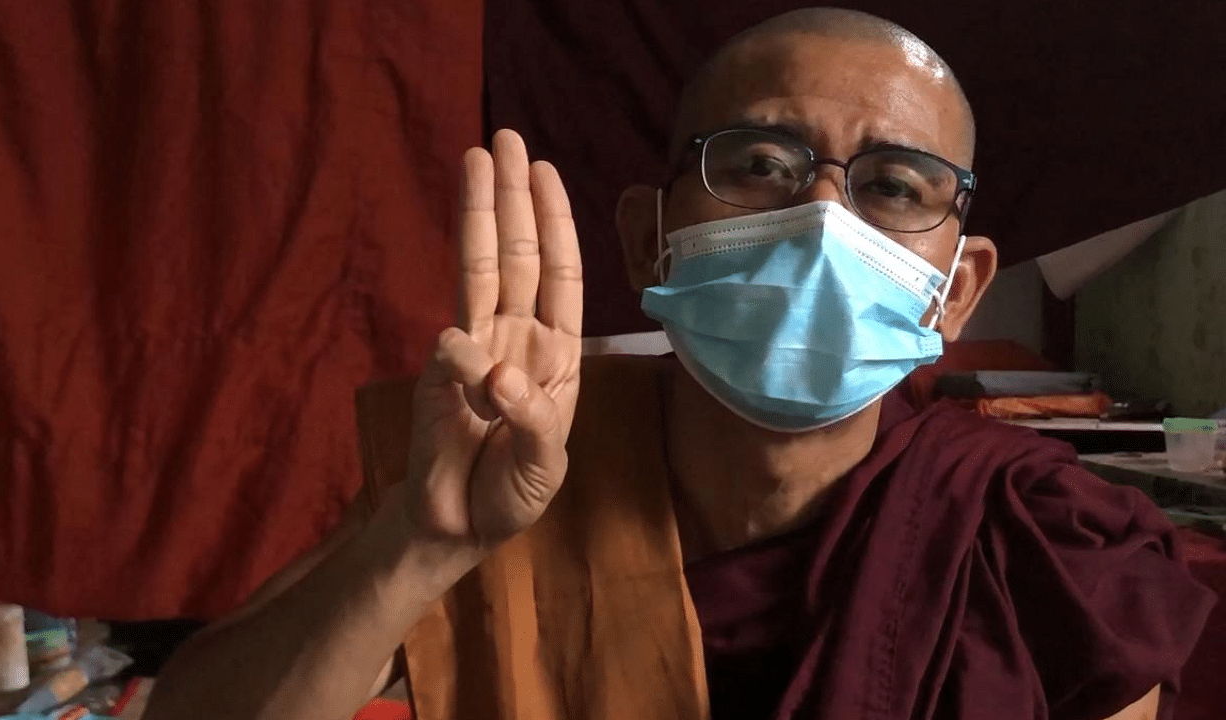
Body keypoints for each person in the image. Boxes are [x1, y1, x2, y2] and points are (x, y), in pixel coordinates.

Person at [143, 8, 1212, 720]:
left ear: (960, 286)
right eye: (757, 164)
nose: (819, 218)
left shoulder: (1042, 540)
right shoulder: (511, 463)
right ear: (647, 237)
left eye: (893, 185)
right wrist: (418, 546)